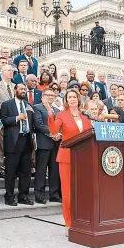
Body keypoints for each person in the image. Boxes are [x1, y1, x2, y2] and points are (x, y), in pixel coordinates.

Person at [45, 89, 90, 236]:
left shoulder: (85, 117)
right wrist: (49, 112)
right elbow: (53, 130)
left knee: (82, 191)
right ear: (66, 100)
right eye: (69, 97)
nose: (72, 99)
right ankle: (68, 223)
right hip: (66, 158)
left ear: (78, 99)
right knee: (67, 193)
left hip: (83, 158)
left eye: (74, 97)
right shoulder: (61, 115)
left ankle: (82, 220)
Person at [0, 83, 35, 206]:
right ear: (15, 90)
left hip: (26, 140)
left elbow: (32, 123)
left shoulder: (28, 106)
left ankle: (23, 196)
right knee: (11, 172)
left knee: (26, 172)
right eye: (21, 88)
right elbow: (3, 120)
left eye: (24, 89)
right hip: (13, 142)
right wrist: (17, 118)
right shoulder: (7, 104)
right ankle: (9, 197)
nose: (23, 91)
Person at [33, 88, 61, 204]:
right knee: (41, 170)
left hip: (56, 143)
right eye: (48, 95)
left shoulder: (57, 110)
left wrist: (59, 134)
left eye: (52, 95)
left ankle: (54, 194)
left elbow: (60, 125)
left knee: (54, 171)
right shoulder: (37, 107)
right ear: (42, 96)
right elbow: (39, 124)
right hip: (44, 142)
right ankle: (39, 194)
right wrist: (52, 133)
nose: (50, 97)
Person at [0, 64, 16, 178]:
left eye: (12, 70)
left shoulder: (15, 86)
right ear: (2, 72)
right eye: (8, 70)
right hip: (1, 120)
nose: (11, 72)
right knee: (0, 145)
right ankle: (0, 168)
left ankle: (12, 167)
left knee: (12, 145)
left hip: (14, 120)